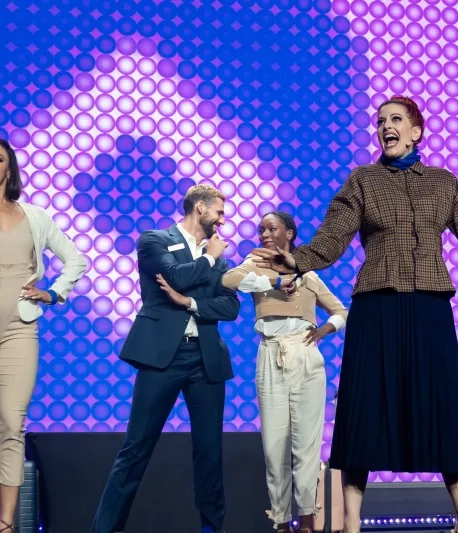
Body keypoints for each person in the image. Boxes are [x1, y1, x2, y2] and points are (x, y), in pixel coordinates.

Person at [253, 95, 458, 533]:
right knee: (364, 410)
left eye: (396, 120)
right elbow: (332, 237)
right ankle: (352, 525)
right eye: (381, 121)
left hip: (428, 306)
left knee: (444, 408)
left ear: (416, 131)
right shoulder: (362, 180)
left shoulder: (442, 183)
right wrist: (298, 261)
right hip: (376, 307)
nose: (387, 126)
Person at [92, 185, 240, 533]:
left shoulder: (222, 257)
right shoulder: (154, 240)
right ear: (199, 208)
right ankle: (105, 528)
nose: (223, 218)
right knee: (136, 448)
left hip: (204, 358)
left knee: (209, 453)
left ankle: (211, 528)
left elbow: (230, 307)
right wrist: (207, 261)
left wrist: (189, 302)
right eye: (218, 211)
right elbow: (173, 277)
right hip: (163, 357)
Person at [221, 212, 348, 533]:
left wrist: (325, 330)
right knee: (275, 444)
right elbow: (227, 280)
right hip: (271, 351)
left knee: (306, 443)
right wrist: (273, 281)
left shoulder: (307, 272)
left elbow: (340, 310)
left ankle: (307, 518)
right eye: (262, 229)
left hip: (306, 354)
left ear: (289, 234)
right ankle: (280, 520)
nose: (264, 234)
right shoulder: (254, 263)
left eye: (272, 228)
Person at [0, 140, 88, 532]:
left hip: (18, 330)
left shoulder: (33, 215)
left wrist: (53, 292)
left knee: (11, 422)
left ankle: (5, 523)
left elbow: (76, 259)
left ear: (8, 168)